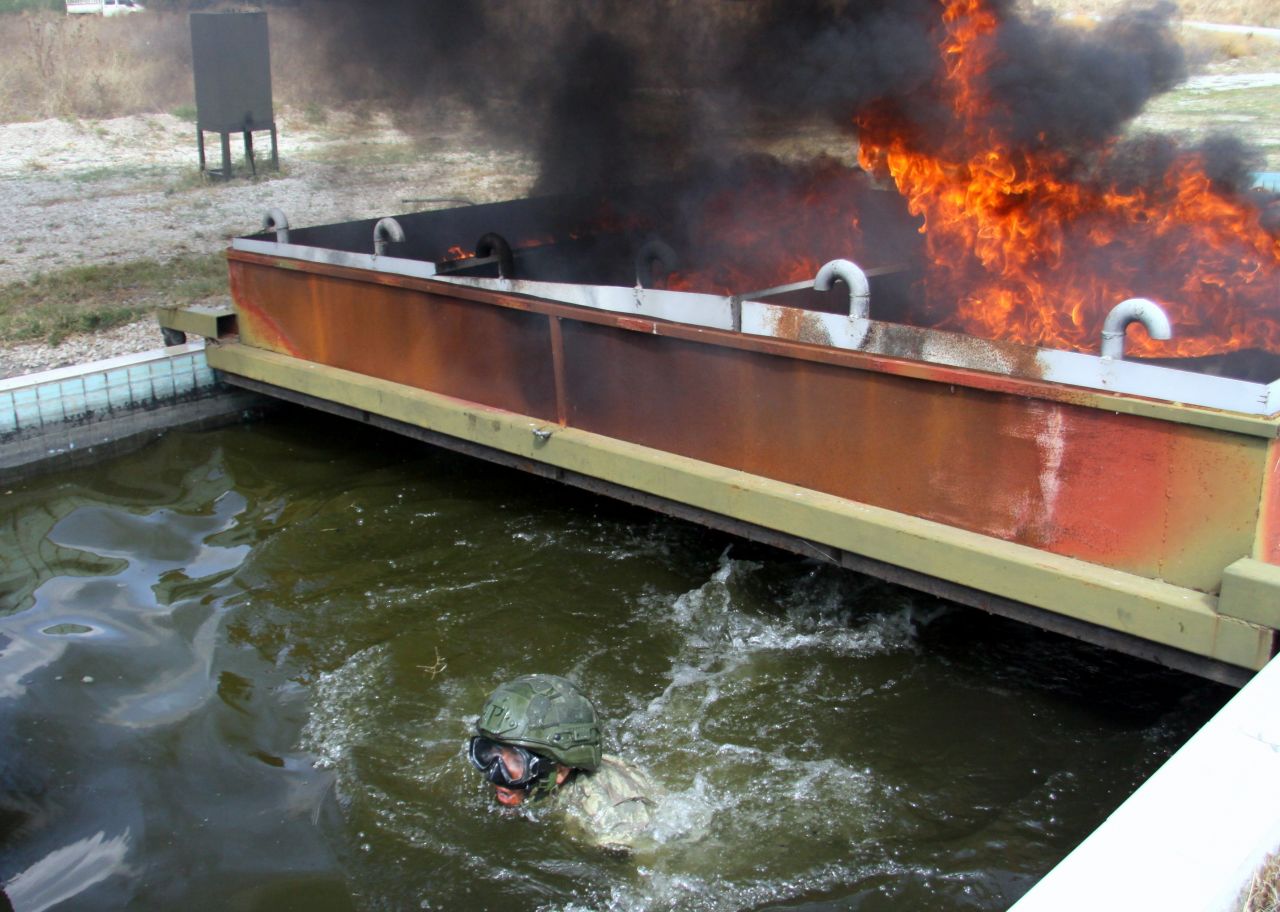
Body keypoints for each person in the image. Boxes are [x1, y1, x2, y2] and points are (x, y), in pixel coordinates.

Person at [467, 674, 658, 853]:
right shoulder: (538, 780)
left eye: (516, 762)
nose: (495, 773)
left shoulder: (608, 823)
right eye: (489, 753)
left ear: (560, 770)